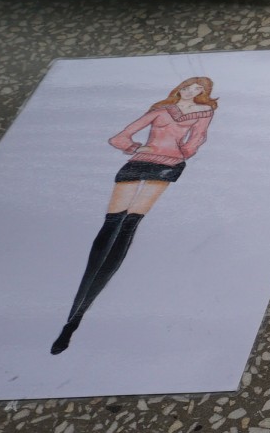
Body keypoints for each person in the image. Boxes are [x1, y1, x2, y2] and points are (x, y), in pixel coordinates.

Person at [51, 77, 216, 355]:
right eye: (189, 86)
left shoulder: (204, 112)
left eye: (198, 89)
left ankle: (74, 322)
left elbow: (198, 138)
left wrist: (179, 154)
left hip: (167, 165)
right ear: (180, 88)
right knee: (111, 223)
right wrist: (135, 148)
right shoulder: (160, 109)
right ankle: (74, 315)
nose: (192, 91)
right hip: (139, 162)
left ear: (204, 93)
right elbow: (120, 136)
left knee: (129, 224)